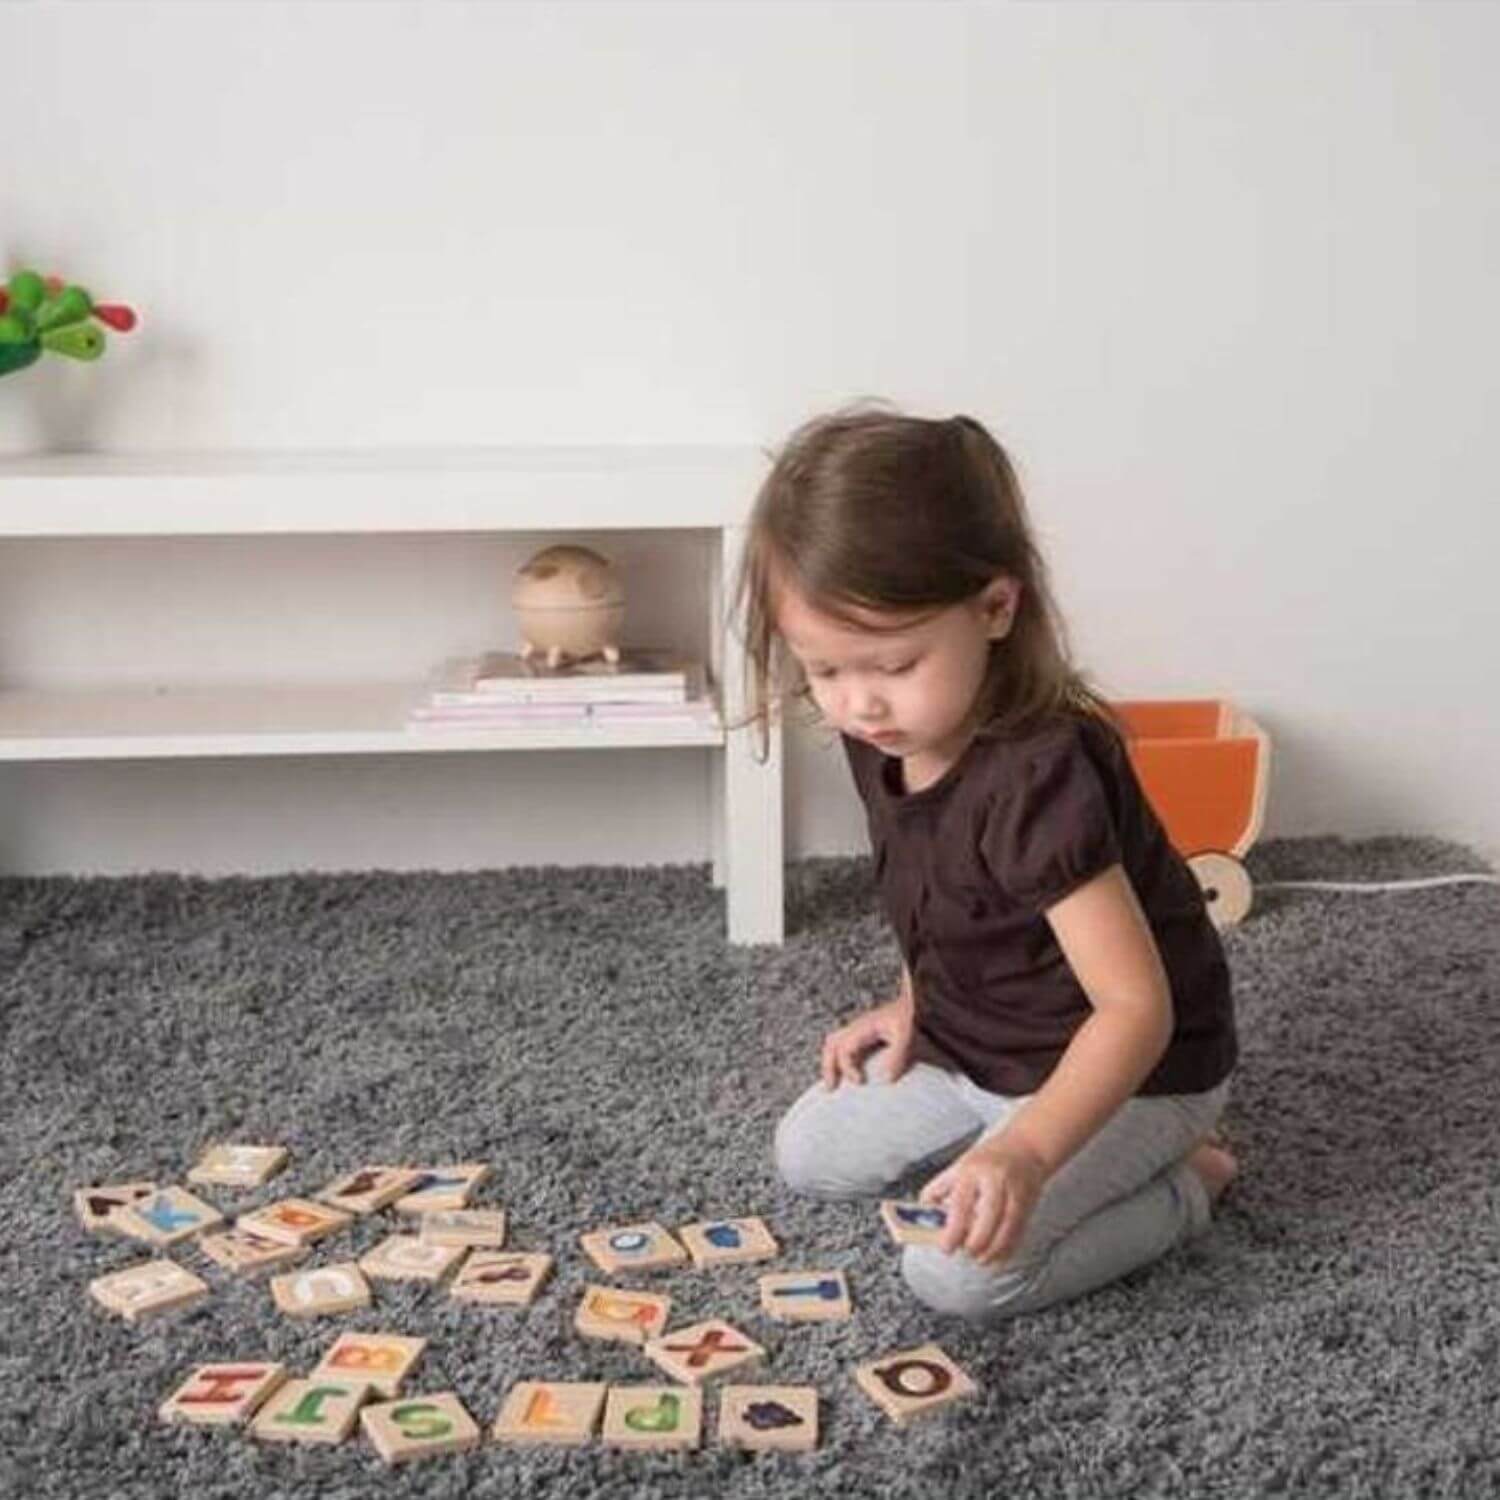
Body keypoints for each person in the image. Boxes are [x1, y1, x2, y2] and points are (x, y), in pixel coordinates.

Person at [735, 403, 1239, 1323]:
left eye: (891, 663)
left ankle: (1190, 1181)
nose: (857, 703)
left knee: (960, 1278)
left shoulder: (1042, 777)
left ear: (996, 607)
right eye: (824, 670)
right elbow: (939, 898)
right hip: (979, 1047)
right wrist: (912, 1004)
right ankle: (1001, 1125)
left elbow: (1138, 1010)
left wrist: (1028, 1150)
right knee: (806, 1153)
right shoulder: (878, 733)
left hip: (1139, 1069)